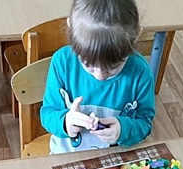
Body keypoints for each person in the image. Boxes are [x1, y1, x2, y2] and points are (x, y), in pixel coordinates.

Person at [40, 0, 156, 154]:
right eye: (88, 64)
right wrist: (65, 122)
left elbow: (144, 123)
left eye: (112, 67)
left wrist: (123, 129)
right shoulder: (63, 62)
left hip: (117, 158)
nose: (99, 76)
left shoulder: (140, 72)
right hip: (66, 155)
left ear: (135, 37)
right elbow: (48, 113)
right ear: (71, 29)